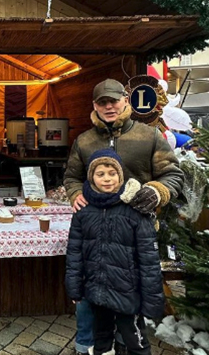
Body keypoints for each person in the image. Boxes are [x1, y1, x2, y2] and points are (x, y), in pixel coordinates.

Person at [63, 78, 183, 355]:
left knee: (133, 299)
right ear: (94, 105)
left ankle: (129, 344)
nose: (109, 106)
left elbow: (173, 174)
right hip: (98, 232)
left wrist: (157, 191)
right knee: (95, 295)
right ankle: (90, 345)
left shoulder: (148, 136)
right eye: (102, 102)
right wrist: (73, 193)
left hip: (136, 230)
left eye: (113, 100)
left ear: (125, 101)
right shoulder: (84, 140)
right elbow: (71, 176)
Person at [66, 149, 164, 355]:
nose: (107, 179)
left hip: (127, 292)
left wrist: (152, 299)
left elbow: (149, 259)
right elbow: (74, 253)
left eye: (112, 173)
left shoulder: (136, 210)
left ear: (121, 175)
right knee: (101, 339)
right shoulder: (83, 211)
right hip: (97, 290)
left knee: (135, 340)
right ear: (91, 177)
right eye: (100, 174)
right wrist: (74, 287)